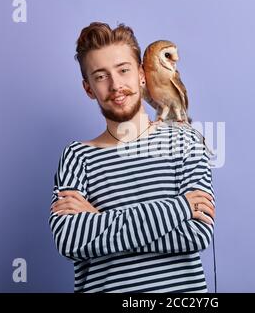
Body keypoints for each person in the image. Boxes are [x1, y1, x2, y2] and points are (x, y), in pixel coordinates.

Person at [49, 22, 216, 293]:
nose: (116, 85)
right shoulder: (77, 157)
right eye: (101, 76)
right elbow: (70, 241)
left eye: (123, 70)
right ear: (88, 89)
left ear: (140, 74)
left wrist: (98, 218)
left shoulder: (186, 142)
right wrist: (179, 208)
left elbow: (196, 234)